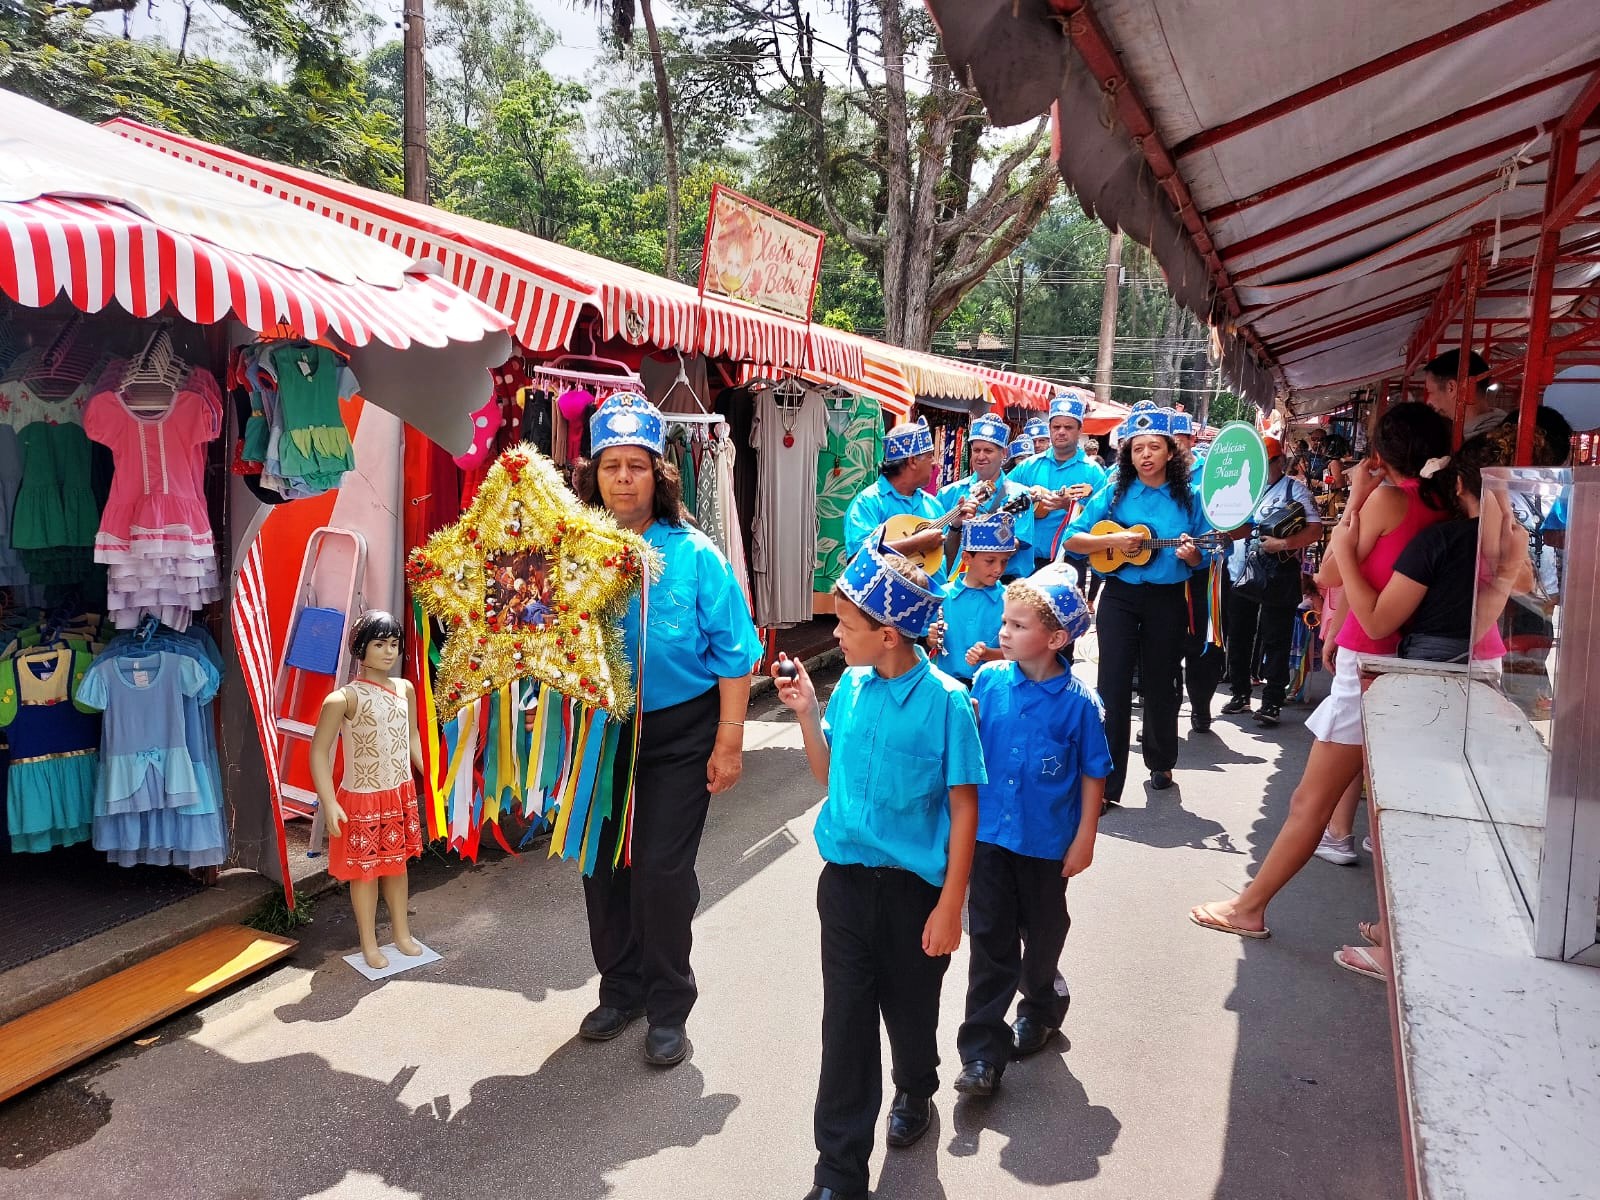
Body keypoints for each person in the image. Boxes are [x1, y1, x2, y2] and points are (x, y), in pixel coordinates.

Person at [1191, 402, 1454, 939]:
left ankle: (1251, 907)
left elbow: (1334, 569)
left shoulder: (1386, 499)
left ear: (1379, 456)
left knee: (1309, 800)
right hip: (1403, 655)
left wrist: (1357, 496)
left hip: (1369, 653)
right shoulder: (1440, 503)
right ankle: (1389, 922)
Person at [773, 536, 983, 1200]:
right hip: (843, 885)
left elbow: (965, 807)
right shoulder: (851, 690)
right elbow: (828, 779)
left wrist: (952, 905)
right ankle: (838, 1172)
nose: (835, 633)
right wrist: (808, 713)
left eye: (846, 624)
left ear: (888, 635)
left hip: (915, 892)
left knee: (912, 1013)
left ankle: (917, 1086)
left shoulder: (948, 702)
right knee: (847, 1025)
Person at [569, 391, 763, 1066]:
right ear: (592, 475)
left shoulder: (696, 554)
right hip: (601, 732)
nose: (624, 478)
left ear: (660, 475)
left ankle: (668, 1002)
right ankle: (620, 989)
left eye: (637, 466)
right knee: (603, 867)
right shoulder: (572, 552)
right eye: (612, 465)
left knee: (660, 870)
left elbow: (737, 652)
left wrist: (730, 739)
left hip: (682, 734)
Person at [953, 564, 1110, 1097]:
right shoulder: (989, 682)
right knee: (992, 941)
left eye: (1018, 626)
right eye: (1005, 622)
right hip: (991, 838)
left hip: (1047, 843)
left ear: (1056, 638)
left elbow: (1094, 772)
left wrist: (1085, 834)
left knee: (1043, 932)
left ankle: (1042, 1000)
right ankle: (980, 1055)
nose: (1004, 632)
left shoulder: (1080, 705)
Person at [1063, 406, 1210, 802]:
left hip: (1166, 599)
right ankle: (1107, 783)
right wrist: (1112, 542)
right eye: (1137, 448)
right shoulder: (1113, 493)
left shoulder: (1190, 497)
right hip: (1120, 596)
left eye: (1154, 447)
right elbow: (1073, 540)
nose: (1145, 455)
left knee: (1162, 682)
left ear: (1169, 452)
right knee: (1111, 685)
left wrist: (1191, 556)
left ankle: (1161, 761)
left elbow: (1207, 554)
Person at [308, 611, 425, 972]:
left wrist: (432, 775)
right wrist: (329, 802)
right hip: (362, 796)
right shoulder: (343, 699)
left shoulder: (405, 688)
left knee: (398, 865)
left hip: (398, 792)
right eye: (379, 644)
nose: (389, 652)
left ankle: (402, 933)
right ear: (361, 648)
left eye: (393, 644)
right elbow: (318, 751)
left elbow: (413, 736)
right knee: (367, 872)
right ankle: (369, 941)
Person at [1218, 436, 1323, 727]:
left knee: (1276, 637)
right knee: (1238, 635)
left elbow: (1315, 530)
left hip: (1279, 574)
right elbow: (1232, 528)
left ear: (1279, 462)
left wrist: (1284, 543)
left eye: (1266, 462)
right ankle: (1239, 693)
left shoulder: (1294, 490)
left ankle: (1272, 700)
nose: (1260, 469)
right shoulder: (1239, 490)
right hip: (1240, 570)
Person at [844, 417, 972, 579]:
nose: (935, 464)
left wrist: (955, 527)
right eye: (930, 456)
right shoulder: (868, 503)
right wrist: (916, 544)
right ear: (912, 461)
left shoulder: (932, 504)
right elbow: (859, 558)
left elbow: (945, 561)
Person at [1009, 393, 1108, 576]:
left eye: (1068, 427)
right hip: (1024, 562)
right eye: (1056, 426)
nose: (1061, 431)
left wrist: (1069, 507)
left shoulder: (1093, 473)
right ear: (1049, 428)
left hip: (1068, 563)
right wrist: (1028, 496)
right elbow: (1005, 497)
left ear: (1080, 430)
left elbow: (1102, 522)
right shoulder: (1029, 466)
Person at [937, 413, 1033, 570]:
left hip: (1003, 582)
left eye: (988, 451)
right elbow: (937, 547)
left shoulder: (1019, 495)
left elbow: (1015, 545)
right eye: (976, 450)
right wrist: (956, 526)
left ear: (1003, 454)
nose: (981, 456)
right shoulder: (948, 493)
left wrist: (986, 528)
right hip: (957, 583)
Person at [930, 511, 1014, 684]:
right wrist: (931, 639)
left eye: (1004, 561)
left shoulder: (1011, 600)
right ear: (967, 558)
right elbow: (928, 647)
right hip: (947, 687)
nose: (998, 569)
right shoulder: (941, 596)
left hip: (994, 690)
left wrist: (988, 654)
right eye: (990, 561)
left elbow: (1020, 654)